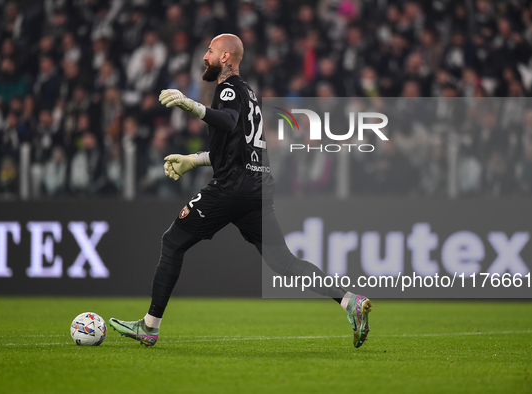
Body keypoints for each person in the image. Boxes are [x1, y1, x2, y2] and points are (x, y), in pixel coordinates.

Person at [109, 34, 372, 348]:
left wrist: (189, 104)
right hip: (257, 189)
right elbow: (240, 146)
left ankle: (149, 326)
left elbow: (229, 122)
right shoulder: (249, 93)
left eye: (209, 51)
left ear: (225, 57)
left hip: (231, 188)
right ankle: (349, 302)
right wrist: (193, 160)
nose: (204, 56)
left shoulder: (229, 88)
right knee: (284, 262)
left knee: (173, 241)